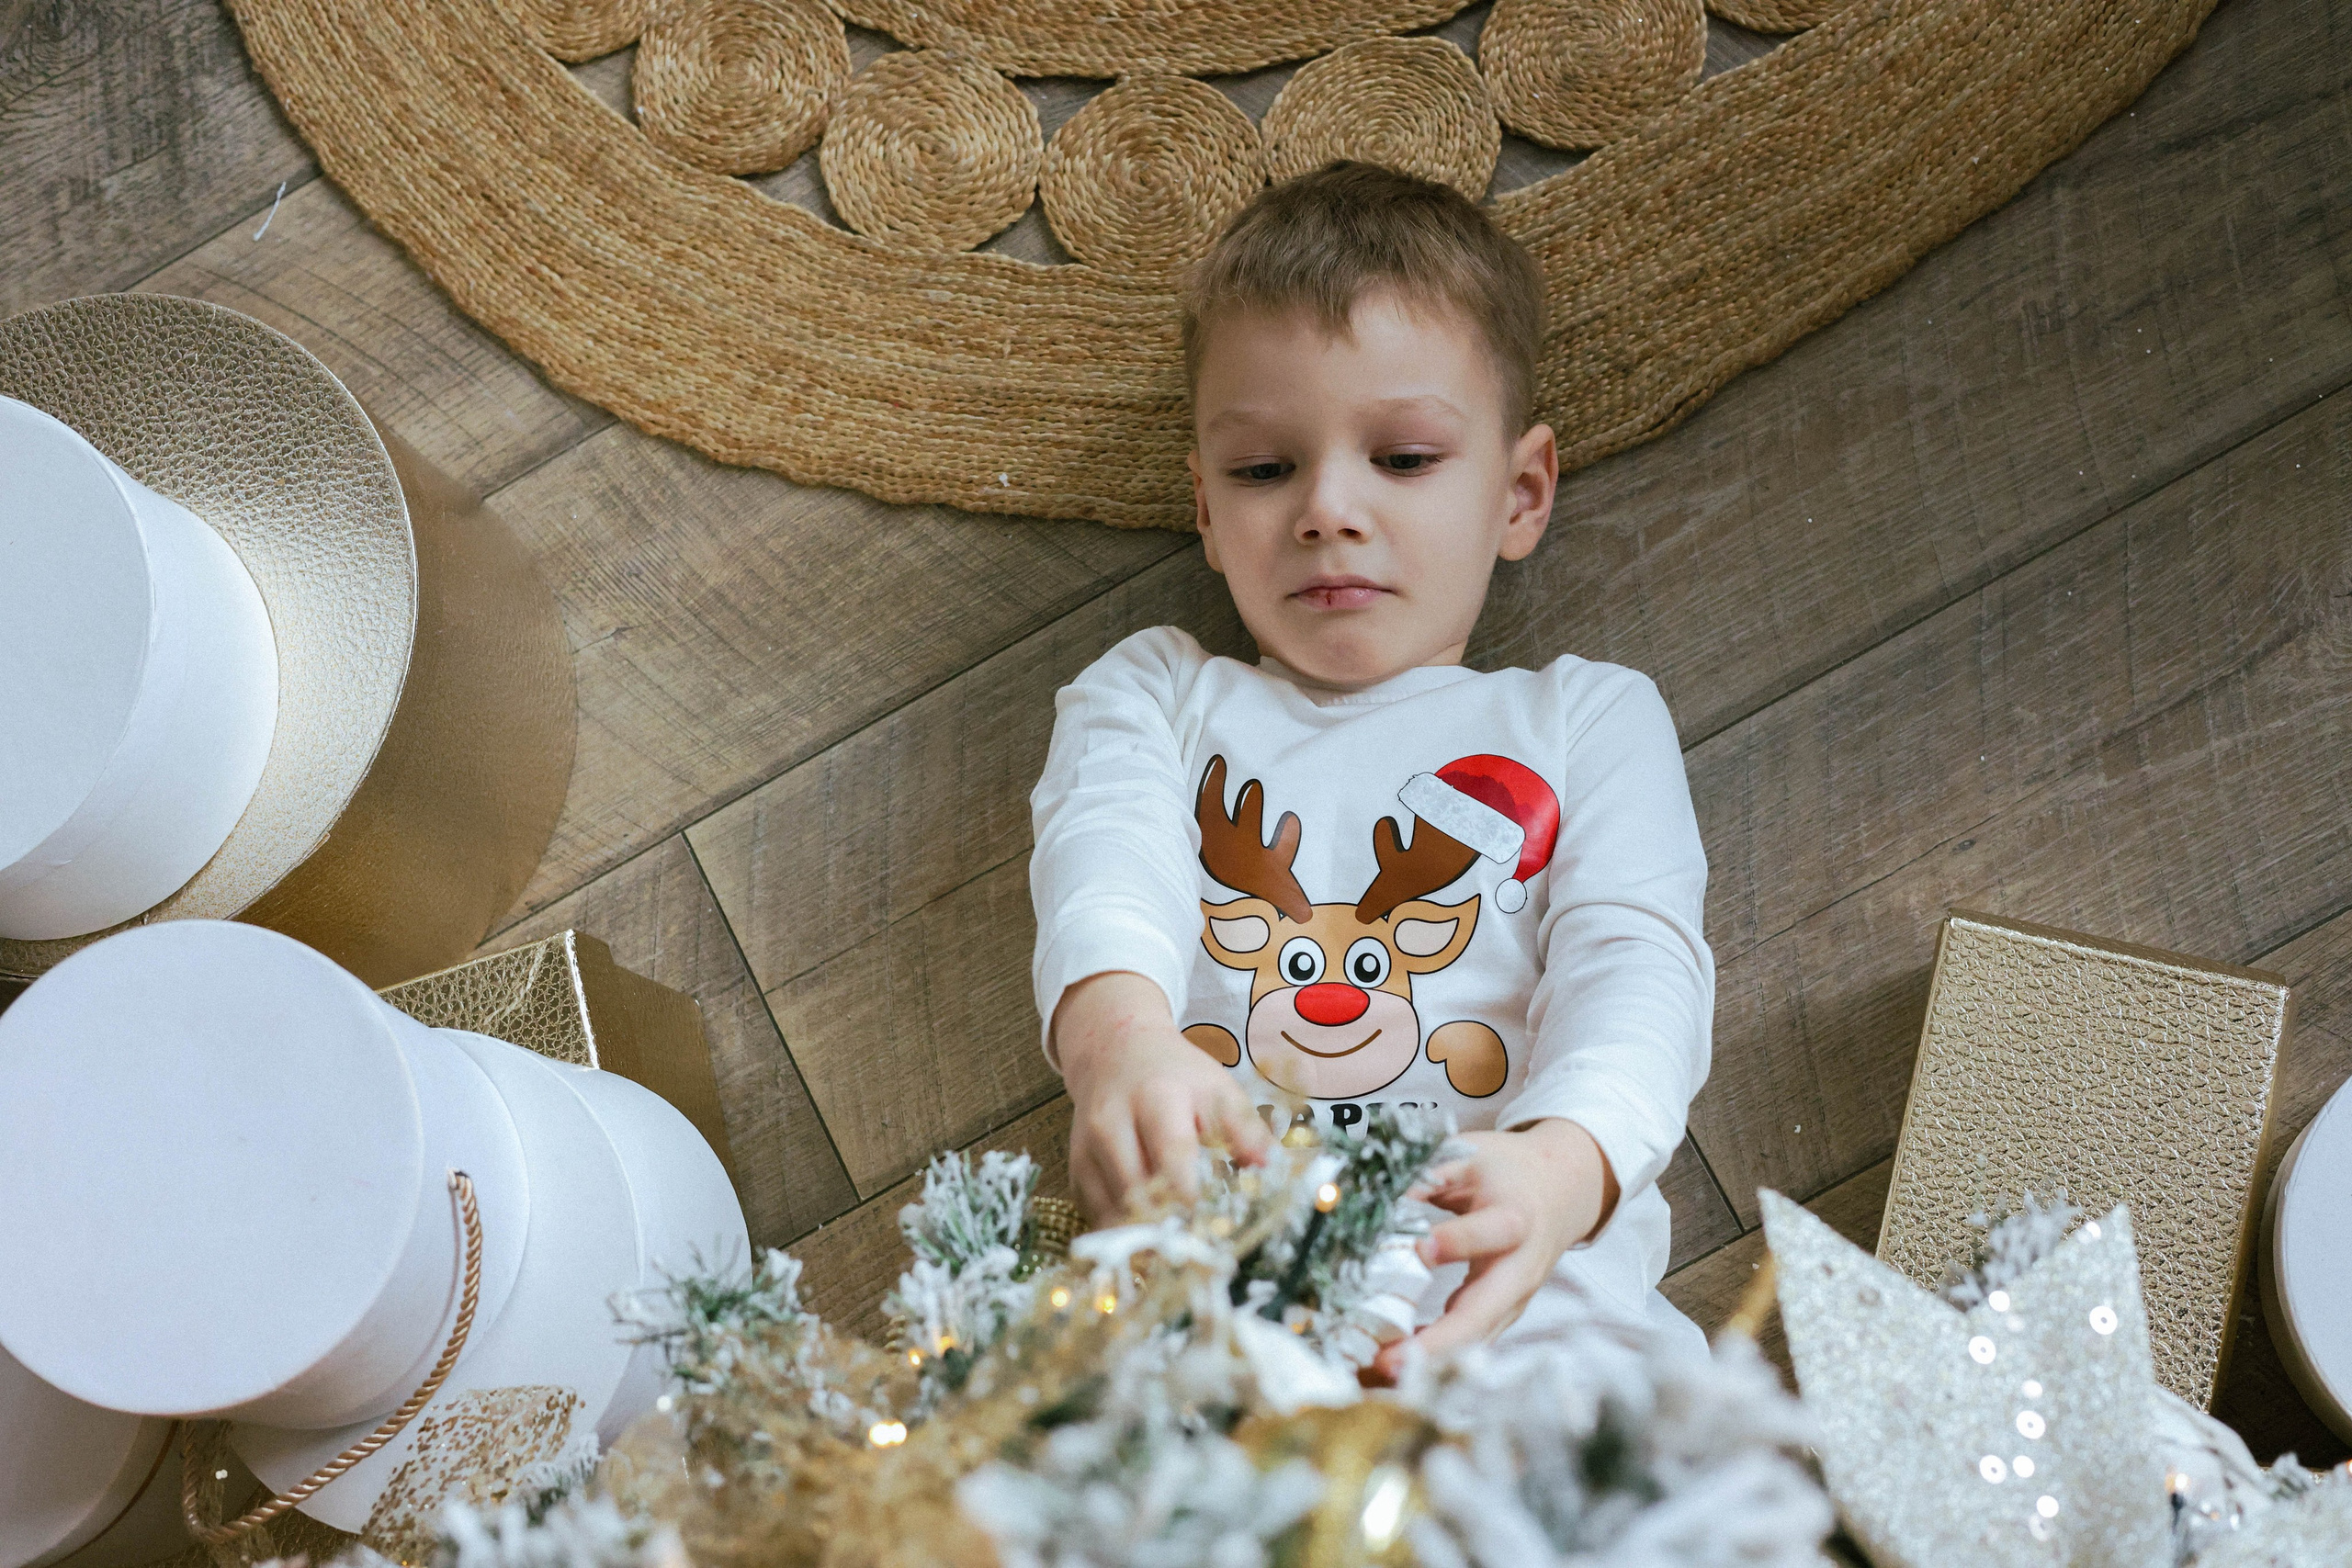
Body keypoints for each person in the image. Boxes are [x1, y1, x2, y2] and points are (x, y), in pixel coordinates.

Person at [1028, 161, 1713, 1375]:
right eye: (1262, 470)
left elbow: (1639, 964)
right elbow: (1104, 875)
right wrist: (1121, 1051)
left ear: (1521, 491)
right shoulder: (1153, 698)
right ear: (1203, 504)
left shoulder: (1587, 720)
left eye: (1401, 459)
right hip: (1227, 1322)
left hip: (1525, 1306)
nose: (1327, 508)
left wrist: (1566, 1164)